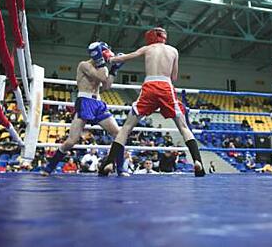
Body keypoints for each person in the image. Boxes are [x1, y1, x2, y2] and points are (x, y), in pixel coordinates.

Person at [98, 27, 205, 177]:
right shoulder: (173, 51)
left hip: (149, 86)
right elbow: (174, 77)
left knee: (126, 127)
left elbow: (126, 57)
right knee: (183, 126)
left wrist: (109, 57)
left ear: (150, 37)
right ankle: (197, 161)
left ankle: (109, 162)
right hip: (166, 87)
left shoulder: (147, 48)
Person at [41, 42, 126, 176]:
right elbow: (102, 77)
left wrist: (114, 69)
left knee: (119, 133)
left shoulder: (101, 68)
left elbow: (106, 86)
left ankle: (121, 169)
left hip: (97, 102)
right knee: (72, 141)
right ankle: (49, 167)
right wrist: (103, 64)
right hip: (85, 101)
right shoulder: (84, 65)